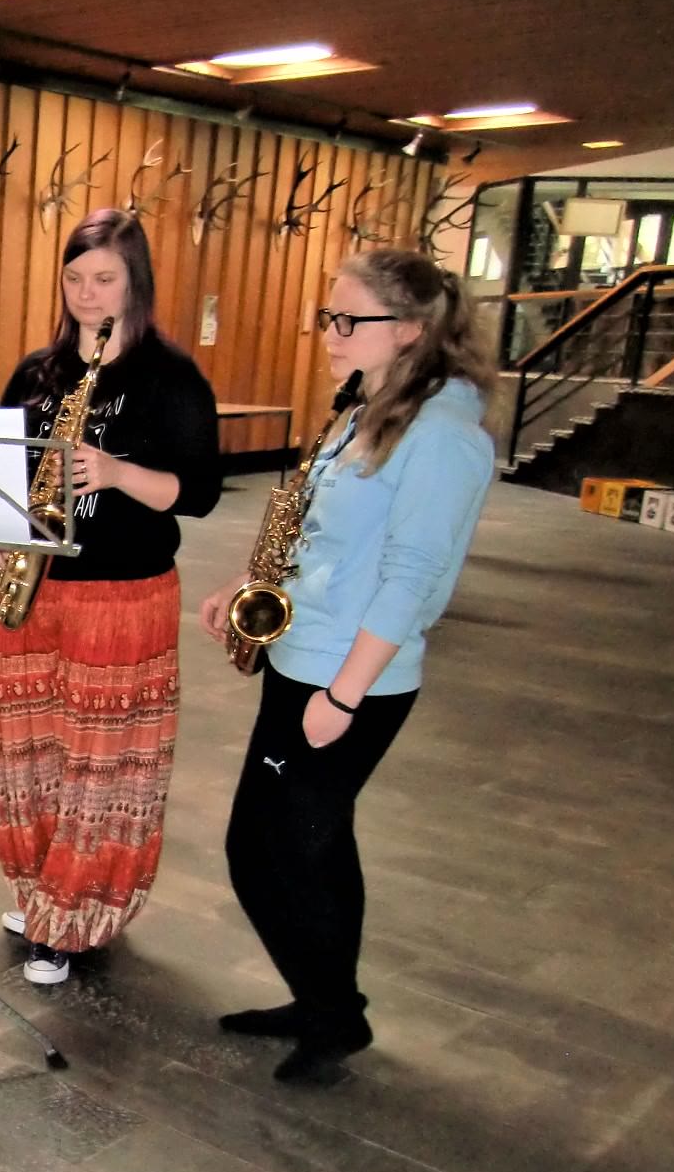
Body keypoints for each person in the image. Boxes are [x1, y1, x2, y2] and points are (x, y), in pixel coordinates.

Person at [200, 248, 498, 1084]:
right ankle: (321, 999)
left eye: (347, 319)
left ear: (409, 330)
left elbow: (412, 578)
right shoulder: (365, 410)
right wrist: (248, 584)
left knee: (280, 849)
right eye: (327, 317)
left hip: (349, 677)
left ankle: (334, 1013)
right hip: (306, 656)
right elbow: (322, 535)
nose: (329, 334)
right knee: (303, 846)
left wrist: (345, 694)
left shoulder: (441, 435)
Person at [0, 208, 220, 984]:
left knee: (101, 765)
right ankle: (44, 893)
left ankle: (74, 913)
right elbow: (2, 471)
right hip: (39, 592)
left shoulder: (170, 377)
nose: (87, 294)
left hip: (123, 595)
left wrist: (117, 472)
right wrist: (1, 524)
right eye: (75, 278)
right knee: (30, 756)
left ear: (136, 283)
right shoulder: (37, 372)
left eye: (105, 279)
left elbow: (200, 492)